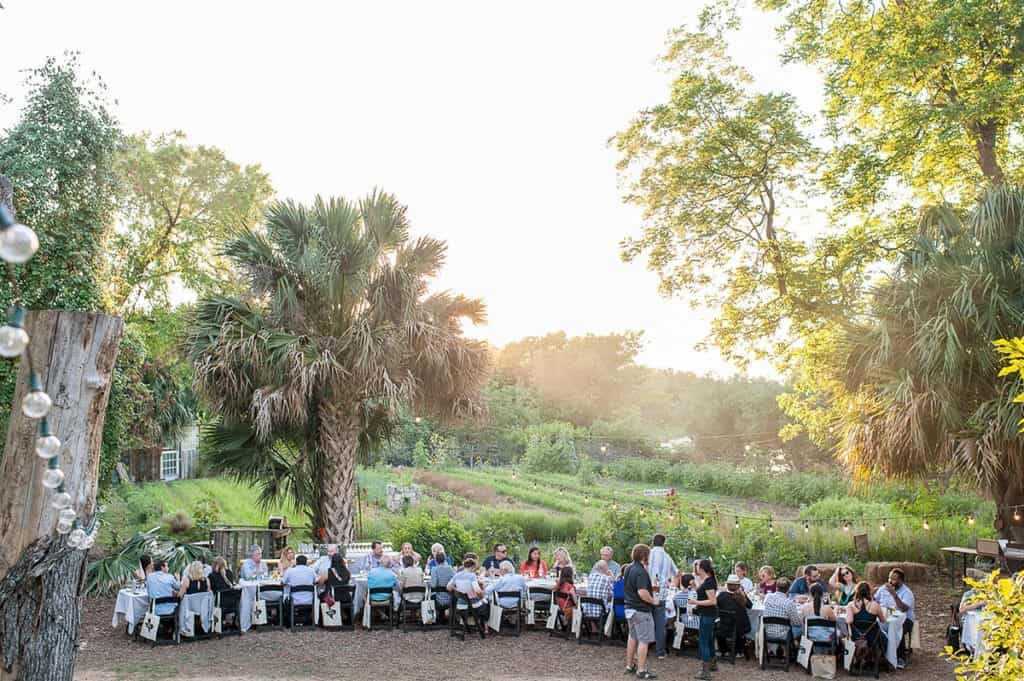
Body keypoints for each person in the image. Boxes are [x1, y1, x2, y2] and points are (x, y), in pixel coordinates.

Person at [623, 544, 659, 680]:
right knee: (644, 640)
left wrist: (651, 589)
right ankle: (641, 670)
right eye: (648, 555)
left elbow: (631, 587)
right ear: (644, 556)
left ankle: (629, 665)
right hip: (641, 610)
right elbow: (642, 593)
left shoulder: (628, 568)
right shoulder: (641, 571)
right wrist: (654, 601)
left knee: (632, 637)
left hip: (629, 608)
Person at [873, 568, 915, 667]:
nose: (890, 581)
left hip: (905, 620)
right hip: (884, 616)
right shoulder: (883, 588)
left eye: (893, 579)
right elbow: (875, 600)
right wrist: (871, 594)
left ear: (900, 581)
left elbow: (904, 609)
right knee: (872, 625)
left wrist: (894, 595)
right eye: (889, 578)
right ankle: (880, 654)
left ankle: (900, 658)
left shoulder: (907, 592)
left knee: (897, 629)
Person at [647, 534, 678, 659]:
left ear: (653, 542)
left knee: (645, 621)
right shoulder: (667, 557)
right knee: (660, 624)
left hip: (647, 593)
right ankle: (660, 652)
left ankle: (642, 648)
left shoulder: (648, 554)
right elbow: (677, 573)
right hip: (662, 595)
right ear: (664, 543)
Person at [447, 557, 488, 638]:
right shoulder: (472, 576)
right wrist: (482, 597)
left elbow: (448, 587)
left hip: (460, 605)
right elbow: (478, 591)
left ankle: (470, 627)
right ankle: (484, 627)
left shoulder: (457, 575)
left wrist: (457, 590)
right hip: (472, 605)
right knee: (487, 605)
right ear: (472, 567)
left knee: (482, 602)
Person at [692, 558, 719, 680]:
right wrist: (695, 587)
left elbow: (713, 601)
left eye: (697, 565)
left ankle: (705, 672)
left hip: (707, 614)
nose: (696, 567)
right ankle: (712, 664)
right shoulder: (708, 580)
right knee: (708, 639)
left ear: (702, 568)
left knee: (703, 641)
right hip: (709, 614)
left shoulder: (708, 582)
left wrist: (695, 602)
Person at [715, 574, 752, 656]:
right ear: (739, 585)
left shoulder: (721, 595)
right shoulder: (742, 595)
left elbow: (716, 607)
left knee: (718, 625)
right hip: (739, 628)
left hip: (724, 626)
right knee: (740, 622)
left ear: (727, 585)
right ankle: (738, 651)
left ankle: (723, 650)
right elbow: (750, 606)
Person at [846, 581, 887, 648]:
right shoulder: (875, 605)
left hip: (856, 637)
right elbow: (883, 620)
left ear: (857, 591)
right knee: (886, 638)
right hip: (872, 638)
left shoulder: (851, 605)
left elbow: (849, 621)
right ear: (869, 592)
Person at [762, 577, 802, 643]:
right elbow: (797, 623)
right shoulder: (789, 603)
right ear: (788, 590)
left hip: (767, 632)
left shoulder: (768, 597)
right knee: (802, 628)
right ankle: (796, 650)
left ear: (776, 587)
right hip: (784, 635)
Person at [282, 555, 318, 622]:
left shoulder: (290, 571)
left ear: (296, 562)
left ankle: (287, 621)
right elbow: (316, 581)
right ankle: (308, 620)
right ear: (306, 562)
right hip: (309, 600)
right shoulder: (311, 570)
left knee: (284, 598)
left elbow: (282, 582)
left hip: (294, 600)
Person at [429, 551, 456, 621]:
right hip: (450, 598)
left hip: (438, 600)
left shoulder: (434, 569)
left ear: (435, 560)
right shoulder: (450, 568)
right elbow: (454, 582)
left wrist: (428, 583)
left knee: (429, 596)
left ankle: (434, 618)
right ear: (445, 559)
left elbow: (433, 585)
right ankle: (444, 617)